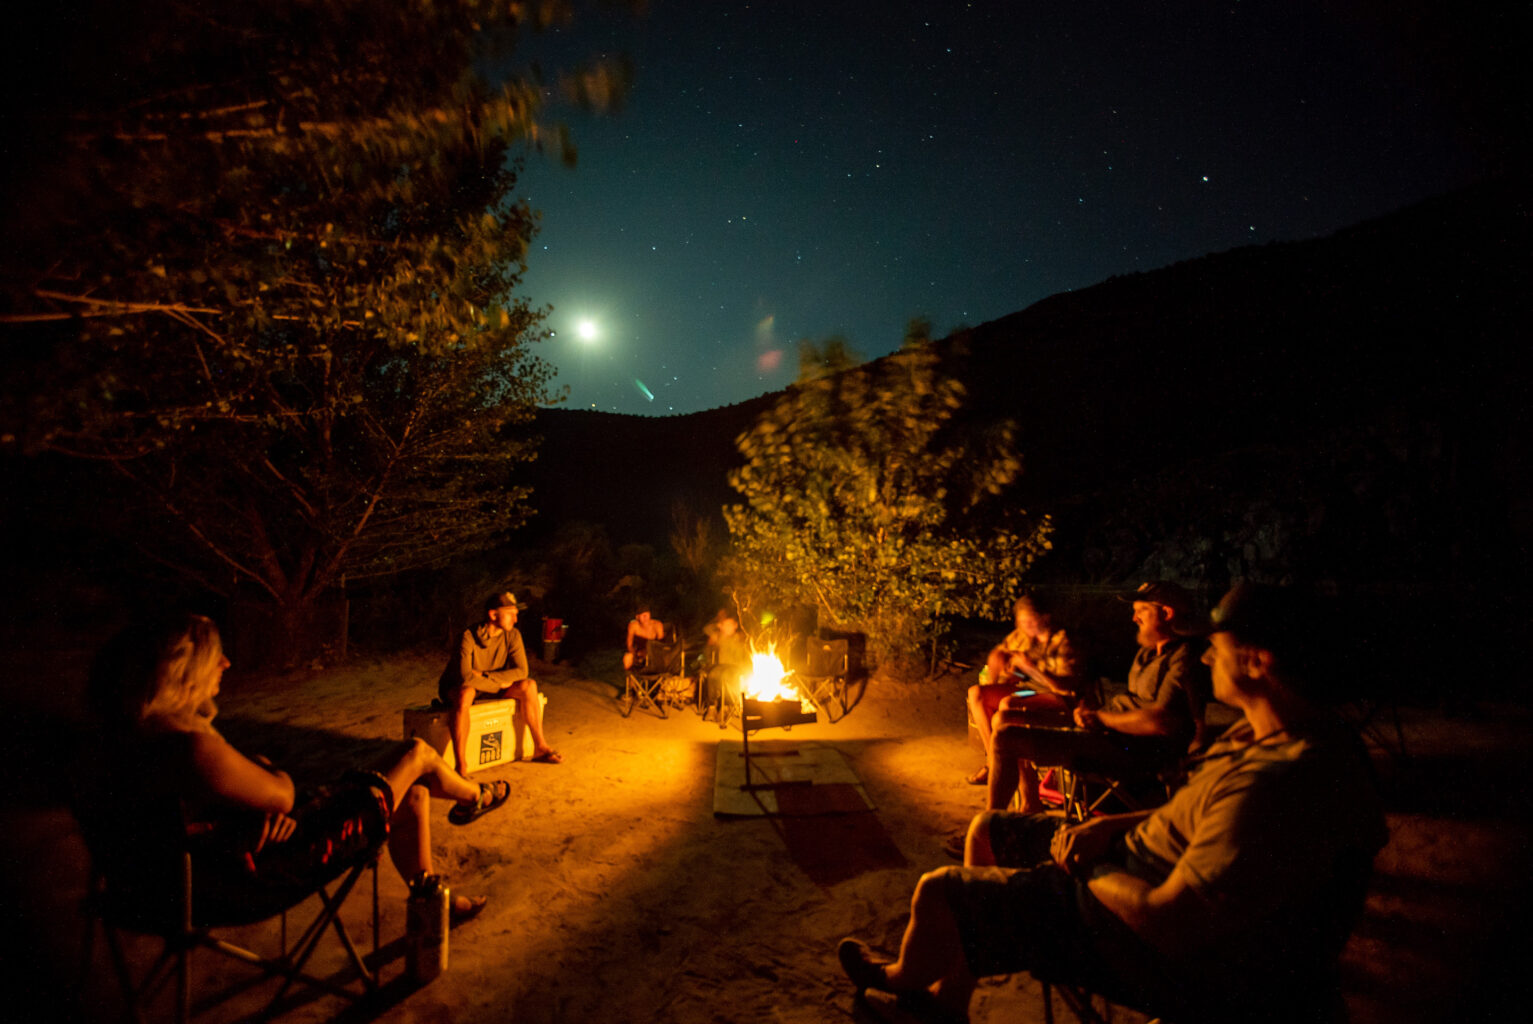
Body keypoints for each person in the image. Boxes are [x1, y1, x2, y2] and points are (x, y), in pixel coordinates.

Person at [838, 584, 1388, 1024]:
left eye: (1214, 646)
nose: (1203, 656)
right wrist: (1114, 826)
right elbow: (1200, 813)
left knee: (939, 891)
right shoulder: (1276, 734)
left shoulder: (1276, 780)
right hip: (1131, 856)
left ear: (1256, 661)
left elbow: (1171, 922)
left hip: (1128, 925)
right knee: (986, 828)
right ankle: (949, 997)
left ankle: (899, 979)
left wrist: (1089, 866)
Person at [85, 613, 505, 925]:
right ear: (183, 673)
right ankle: (475, 796)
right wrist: (268, 786)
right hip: (260, 876)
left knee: (413, 791)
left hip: (177, 885)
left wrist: (235, 818)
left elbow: (183, 820)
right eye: (216, 657)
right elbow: (282, 792)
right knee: (415, 753)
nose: (227, 664)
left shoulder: (122, 745)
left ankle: (434, 900)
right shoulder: (191, 748)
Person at [984, 581, 1207, 814]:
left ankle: (990, 829)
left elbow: (1161, 721)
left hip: (1128, 746)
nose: (1134, 618)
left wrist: (1102, 719)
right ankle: (1030, 804)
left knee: (1006, 738)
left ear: (1167, 613)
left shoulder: (1183, 658)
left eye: (1142, 611)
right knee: (1006, 720)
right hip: (1105, 729)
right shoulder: (1148, 650)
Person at [964, 595, 1082, 786]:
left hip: (1058, 697)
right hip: (1029, 692)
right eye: (1020, 621)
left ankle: (1013, 775)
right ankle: (993, 762)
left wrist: (1030, 668)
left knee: (1009, 703)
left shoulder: (1062, 641)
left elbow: (1065, 687)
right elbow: (1000, 656)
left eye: (1028, 621)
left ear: (1044, 618)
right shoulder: (1023, 636)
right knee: (976, 693)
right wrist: (1001, 668)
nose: (1023, 626)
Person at [439, 591, 561, 775]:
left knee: (529, 686)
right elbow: (465, 678)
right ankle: (461, 765)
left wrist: (487, 676)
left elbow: (522, 671)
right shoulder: (468, 636)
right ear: (493, 614)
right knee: (466, 693)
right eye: (510, 613)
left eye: (516, 613)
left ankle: (540, 747)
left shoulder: (512, 635)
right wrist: (499, 683)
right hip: (459, 687)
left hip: (488, 684)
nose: (515, 618)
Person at [700, 611, 751, 723]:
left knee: (727, 676)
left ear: (735, 626)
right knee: (713, 675)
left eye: (730, 625)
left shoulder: (741, 638)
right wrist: (717, 622)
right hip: (722, 666)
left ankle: (726, 707)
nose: (727, 628)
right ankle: (712, 707)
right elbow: (706, 629)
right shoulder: (719, 637)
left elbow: (749, 655)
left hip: (736, 667)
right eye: (725, 625)